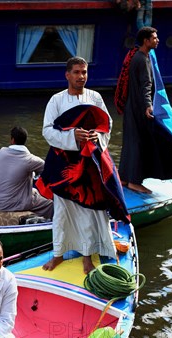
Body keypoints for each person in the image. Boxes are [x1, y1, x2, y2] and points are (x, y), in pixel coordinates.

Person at [40, 57, 123, 274]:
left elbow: (107, 124)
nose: (81, 77)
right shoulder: (56, 100)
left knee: (87, 210)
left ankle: (87, 257)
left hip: (88, 163)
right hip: (63, 164)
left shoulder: (95, 97)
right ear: (67, 75)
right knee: (61, 212)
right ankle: (58, 254)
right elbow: (47, 131)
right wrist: (71, 135)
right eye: (76, 72)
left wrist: (98, 135)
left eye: (84, 72)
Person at [118, 26, 172, 194]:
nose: (157, 40)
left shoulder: (136, 56)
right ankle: (135, 182)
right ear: (146, 41)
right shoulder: (143, 60)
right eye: (154, 38)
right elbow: (147, 85)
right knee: (140, 143)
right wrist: (148, 106)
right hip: (139, 108)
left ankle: (123, 178)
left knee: (130, 142)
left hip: (132, 106)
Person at [0, 126, 54, 220]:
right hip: (13, 204)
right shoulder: (30, 160)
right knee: (50, 204)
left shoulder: (2, 151)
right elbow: (50, 169)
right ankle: (48, 223)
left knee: (34, 192)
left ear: (12, 140)